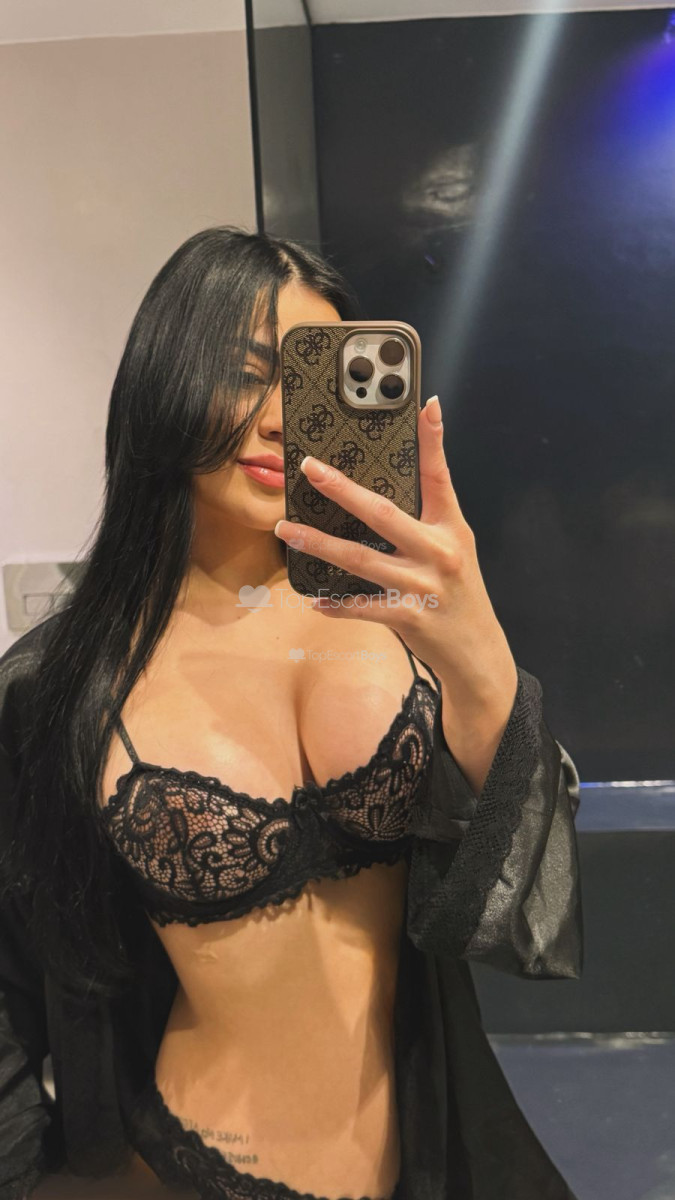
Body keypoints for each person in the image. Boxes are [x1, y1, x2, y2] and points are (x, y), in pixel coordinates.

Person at [0, 226, 583, 1200]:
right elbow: (12, 973)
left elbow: (524, 909)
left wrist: (481, 657)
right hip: (197, 1159)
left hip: (430, 1140)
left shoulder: (401, 617)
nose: (279, 421)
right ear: (165, 379)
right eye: (244, 374)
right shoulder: (57, 683)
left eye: (311, 384)